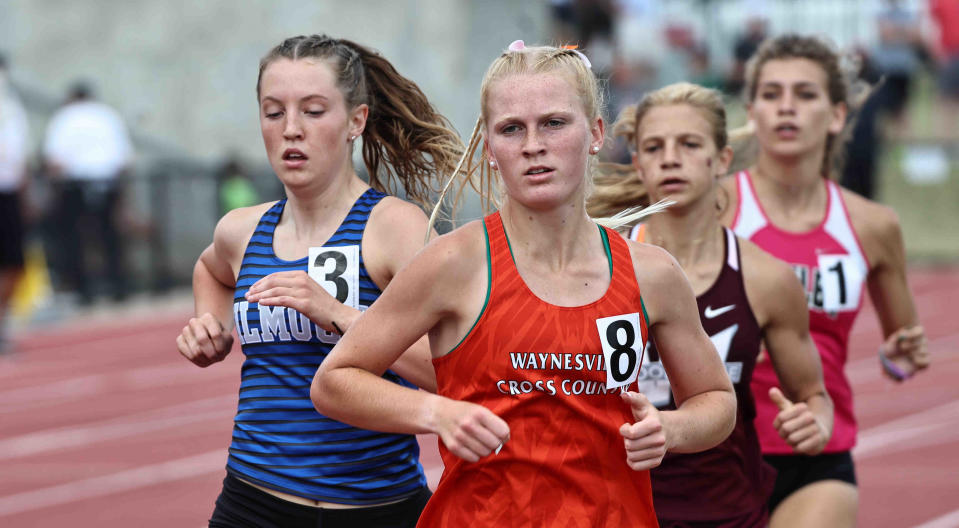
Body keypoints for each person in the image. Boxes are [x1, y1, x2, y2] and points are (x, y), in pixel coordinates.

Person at [310, 41, 736, 527]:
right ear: (491, 149)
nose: (533, 144)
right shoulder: (454, 264)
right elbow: (334, 381)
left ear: (595, 133)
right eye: (512, 129)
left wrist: (672, 428)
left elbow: (717, 403)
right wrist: (436, 413)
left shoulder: (652, 273)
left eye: (554, 123)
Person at [174, 34, 463, 528]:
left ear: (356, 121)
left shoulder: (394, 228)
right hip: (251, 501)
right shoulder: (243, 230)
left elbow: (456, 374)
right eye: (273, 113)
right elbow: (211, 269)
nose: (291, 130)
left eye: (312, 111)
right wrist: (209, 324)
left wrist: (341, 315)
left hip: (376, 506)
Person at [587, 81, 834, 527]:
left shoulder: (767, 279)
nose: (670, 157)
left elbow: (813, 395)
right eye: (654, 146)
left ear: (721, 159)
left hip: (725, 509)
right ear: (638, 164)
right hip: (616, 505)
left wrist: (815, 422)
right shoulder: (597, 269)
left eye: (689, 143)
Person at [721, 34, 930, 527]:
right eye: (771, 95)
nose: (786, 108)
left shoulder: (871, 225)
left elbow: (902, 351)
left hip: (818, 449)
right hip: (716, 455)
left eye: (805, 94)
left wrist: (900, 361)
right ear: (753, 112)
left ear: (836, 115)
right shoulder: (716, 208)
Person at [42, 80, 133, 305]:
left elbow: (54, 159)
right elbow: (123, 158)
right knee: (109, 235)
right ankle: (118, 286)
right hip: (108, 181)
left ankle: (83, 290)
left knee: (74, 237)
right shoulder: (108, 116)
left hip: (75, 184)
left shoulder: (64, 117)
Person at [0, 53, 30, 353]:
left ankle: (2, 324)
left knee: (13, 264)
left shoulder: (11, 108)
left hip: (7, 194)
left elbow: (19, 159)